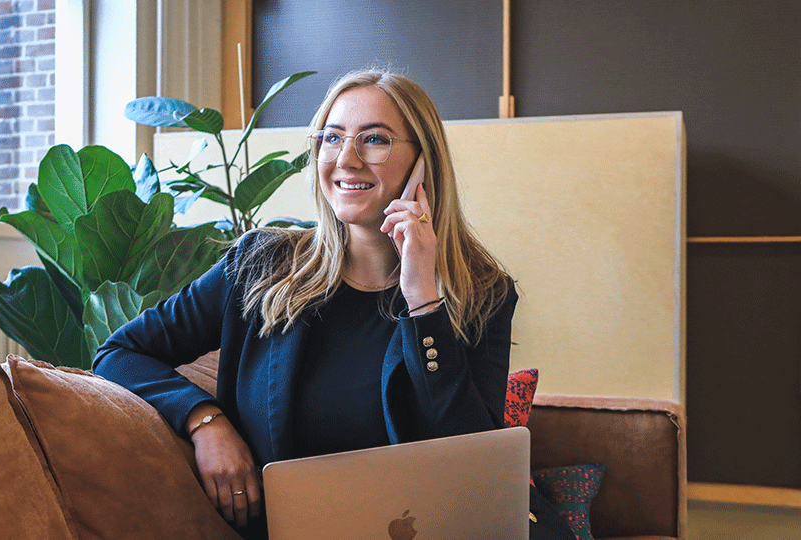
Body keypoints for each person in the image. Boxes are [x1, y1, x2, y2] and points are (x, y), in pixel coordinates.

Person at [93, 69, 574, 540]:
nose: (346, 158)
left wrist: (424, 303)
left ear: (423, 163)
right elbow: (118, 353)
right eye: (331, 137)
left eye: (375, 139)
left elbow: (476, 466)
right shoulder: (260, 266)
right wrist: (205, 421)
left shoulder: (480, 293)